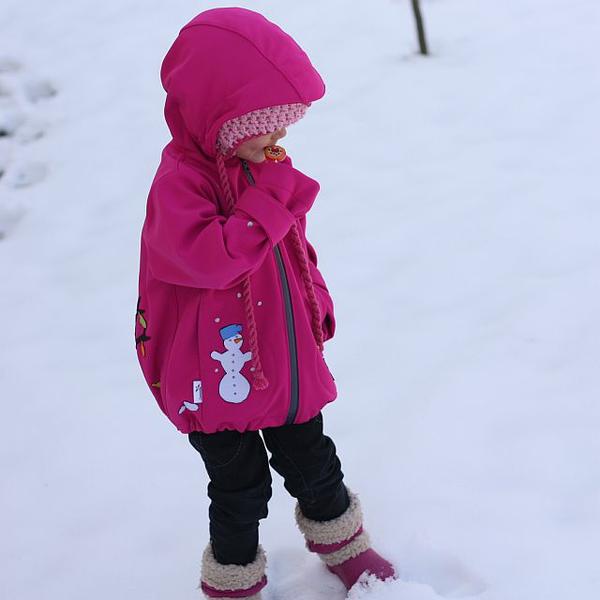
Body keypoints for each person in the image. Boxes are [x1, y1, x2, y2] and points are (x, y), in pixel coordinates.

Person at [134, 7, 396, 598]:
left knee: (313, 458)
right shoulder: (180, 184)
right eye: (266, 126)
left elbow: (295, 247)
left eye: (284, 126)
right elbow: (212, 258)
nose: (279, 140)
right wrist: (271, 200)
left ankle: (344, 547)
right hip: (212, 370)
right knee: (239, 485)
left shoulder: (260, 168)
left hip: (280, 355)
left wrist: (314, 299)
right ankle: (234, 580)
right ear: (221, 120)